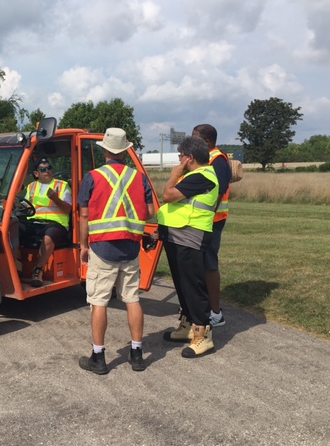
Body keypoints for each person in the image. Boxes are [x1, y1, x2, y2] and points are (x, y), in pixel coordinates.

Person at [77, 128, 155, 374]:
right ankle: (137, 354)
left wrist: (83, 245)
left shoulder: (92, 177)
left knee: (98, 301)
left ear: (104, 150)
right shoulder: (138, 178)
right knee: (132, 298)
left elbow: (84, 215)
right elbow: (151, 212)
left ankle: (98, 357)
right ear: (125, 151)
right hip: (131, 248)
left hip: (102, 248)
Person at [157, 136, 219, 358]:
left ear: (189, 158)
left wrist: (174, 176)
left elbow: (168, 195)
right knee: (182, 284)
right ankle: (188, 325)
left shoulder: (202, 176)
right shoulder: (195, 176)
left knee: (193, 285)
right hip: (177, 235)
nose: (179, 160)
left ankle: (203, 334)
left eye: (180, 156)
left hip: (190, 237)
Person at [192, 124, 231, 328]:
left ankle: (216, 313)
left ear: (207, 141)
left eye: (196, 139)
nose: (192, 142)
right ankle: (205, 307)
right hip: (204, 221)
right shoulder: (207, 160)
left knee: (209, 266)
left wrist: (204, 218)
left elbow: (217, 191)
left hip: (212, 222)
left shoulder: (218, 161)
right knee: (202, 265)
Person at [24, 158, 73, 286]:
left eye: (49, 168)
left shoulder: (61, 185)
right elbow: (26, 205)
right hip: (34, 222)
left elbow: (68, 209)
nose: (47, 172)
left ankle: (38, 271)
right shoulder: (31, 186)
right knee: (12, 227)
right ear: (36, 174)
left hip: (56, 223)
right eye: (43, 169)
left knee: (48, 237)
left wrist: (56, 199)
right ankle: (12, 264)